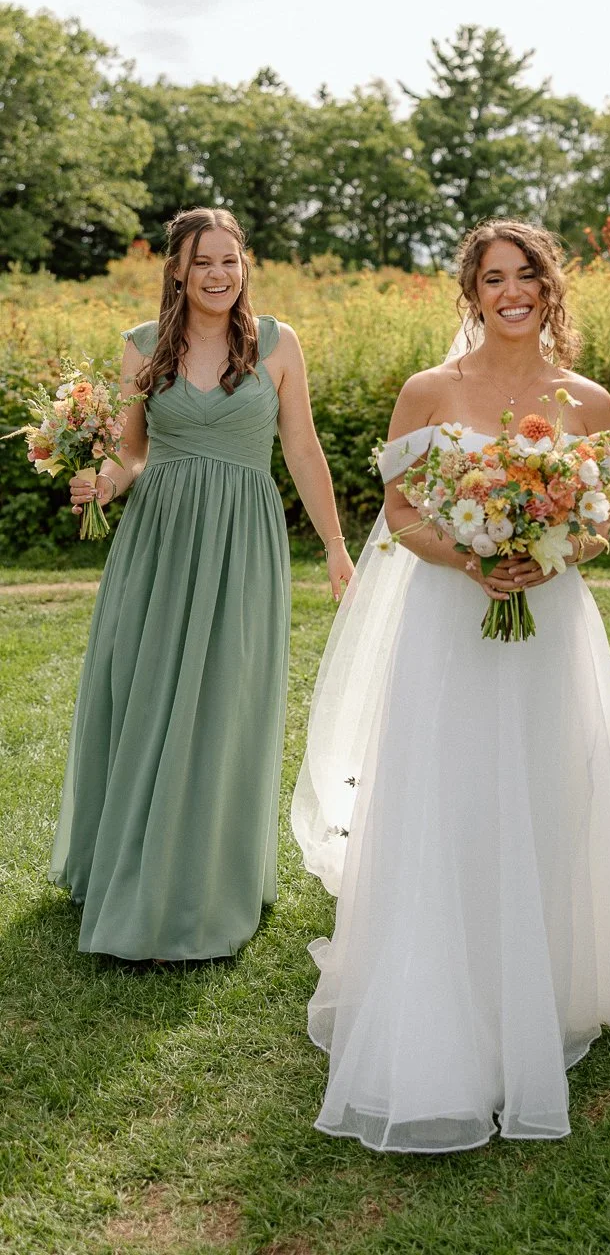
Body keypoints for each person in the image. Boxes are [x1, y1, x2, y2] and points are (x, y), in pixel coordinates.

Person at [295, 218, 610, 1153]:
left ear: (549, 287)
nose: (511, 291)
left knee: (544, 791)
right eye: (494, 278)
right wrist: (470, 558)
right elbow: (400, 515)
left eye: (526, 275)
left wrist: (548, 549)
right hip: (449, 623)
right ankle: (445, 988)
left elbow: (603, 523)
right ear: (473, 292)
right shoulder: (429, 390)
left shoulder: (588, 399)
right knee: (450, 800)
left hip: (551, 622)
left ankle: (548, 980)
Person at [52, 206, 353, 961]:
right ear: (177, 270)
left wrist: (337, 546)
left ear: (244, 266)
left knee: (226, 696)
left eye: (231, 260)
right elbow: (130, 453)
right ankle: (128, 864)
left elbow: (303, 448)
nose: (220, 274)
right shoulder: (140, 347)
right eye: (204, 261)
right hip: (159, 541)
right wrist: (102, 486)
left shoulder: (279, 345)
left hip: (242, 541)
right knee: (147, 693)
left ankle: (210, 877)